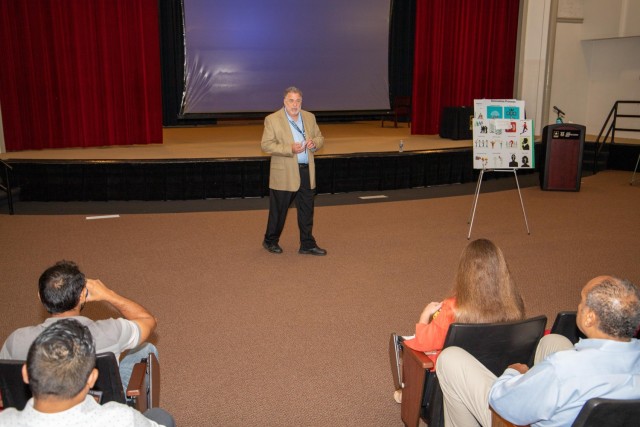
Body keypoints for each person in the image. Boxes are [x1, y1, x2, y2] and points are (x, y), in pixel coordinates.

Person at [436, 275, 640, 427]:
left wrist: (513, 373)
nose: (579, 305)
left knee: (450, 359)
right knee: (553, 341)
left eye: (582, 300)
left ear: (589, 318)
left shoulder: (563, 369)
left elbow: (502, 403)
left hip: (517, 409)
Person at [390, 239, 525, 403]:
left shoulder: (453, 309)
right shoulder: (514, 305)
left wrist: (424, 316)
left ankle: (410, 393)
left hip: (454, 382)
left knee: (406, 346)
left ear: (465, 273)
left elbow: (423, 342)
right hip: (498, 373)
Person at [0, 260, 158, 389]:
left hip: (42, 412)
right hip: (101, 410)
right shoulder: (111, 332)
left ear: (41, 297)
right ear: (83, 295)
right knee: (146, 348)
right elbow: (148, 321)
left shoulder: (16, 340)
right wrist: (109, 295)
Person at [0, 318, 174, 427]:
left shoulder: (5, 420)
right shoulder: (120, 418)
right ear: (92, 378)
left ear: (25, 373)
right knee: (161, 417)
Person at [261, 86, 326, 256]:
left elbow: (320, 137)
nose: (294, 104)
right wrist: (289, 148)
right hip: (284, 172)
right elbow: (266, 145)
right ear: (284, 101)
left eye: (298, 101)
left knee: (306, 210)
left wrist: (315, 144)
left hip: (306, 171)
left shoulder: (309, 117)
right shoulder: (272, 119)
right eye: (291, 100)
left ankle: (307, 244)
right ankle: (270, 241)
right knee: (279, 211)